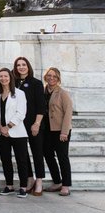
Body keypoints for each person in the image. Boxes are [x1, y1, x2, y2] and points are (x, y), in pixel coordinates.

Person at [0, 67, 33, 197]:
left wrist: (8, 126)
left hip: (17, 132)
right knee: (5, 159)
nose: (3, 78)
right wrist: (0, 126)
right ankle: (9, 185)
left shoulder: (19, 93)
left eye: (6, 76)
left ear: (10, 78)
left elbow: (21, 112)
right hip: (1, 133)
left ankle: (23, 187)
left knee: (21, 160)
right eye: (1, 76)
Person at [13, 57, 47, 196]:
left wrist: (37, 123)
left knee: (37, 152)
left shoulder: (36, 83)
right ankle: (29, 178)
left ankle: (39, 180)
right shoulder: (12, 82)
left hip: (34, 123)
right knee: (22, 154)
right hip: (18, 124)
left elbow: (41, 106)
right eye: (18, 65)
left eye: (24, 65)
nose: (21, 67)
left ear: (28, 67)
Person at [42, 67, 73, 196]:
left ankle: (65, 185)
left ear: (58, 78)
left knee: (62, 157)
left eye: (54, 76)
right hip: (47, 130)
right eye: (49, 75)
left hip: (61, 130)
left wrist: (64, 132)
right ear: (45, 77)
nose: (51, 78)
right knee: (48, 155)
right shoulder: (42, 91)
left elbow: (68, 113)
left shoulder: (63, 93)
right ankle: (57, 181)